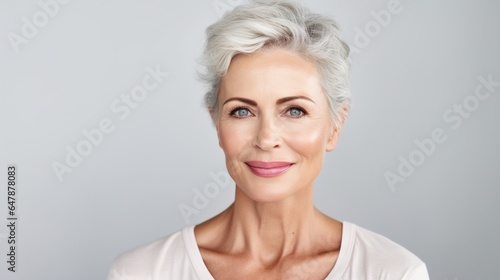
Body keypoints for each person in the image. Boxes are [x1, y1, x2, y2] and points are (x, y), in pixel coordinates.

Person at [107, 1, 430, 279]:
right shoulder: (143, 272)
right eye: (242, 112)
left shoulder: (393, 272)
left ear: (335, 126)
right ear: (216, 122)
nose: (266, 139)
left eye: (294, 110)